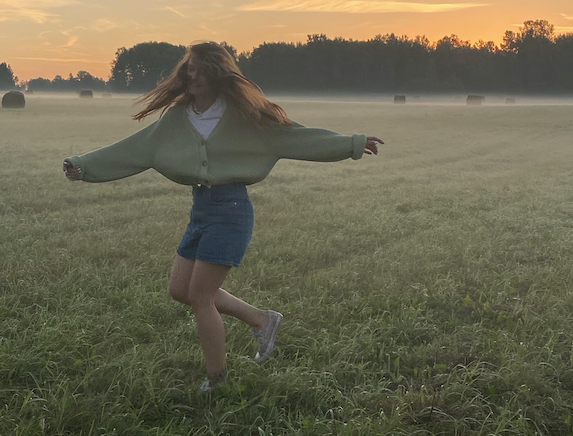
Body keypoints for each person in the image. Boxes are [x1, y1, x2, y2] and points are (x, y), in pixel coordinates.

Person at [63, 42, 382, 391]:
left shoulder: (245, 114)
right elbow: (135, 148)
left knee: (200, 296)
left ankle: (217, 380)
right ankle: (261, 320)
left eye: (199, 68)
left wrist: (352, 143)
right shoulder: (177, 118)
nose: (191, 74)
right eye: (188, 68)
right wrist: (84, 165)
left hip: (232, 210)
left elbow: (298, 137)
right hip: (200, 209)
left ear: (217, 72)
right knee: (180, 290)